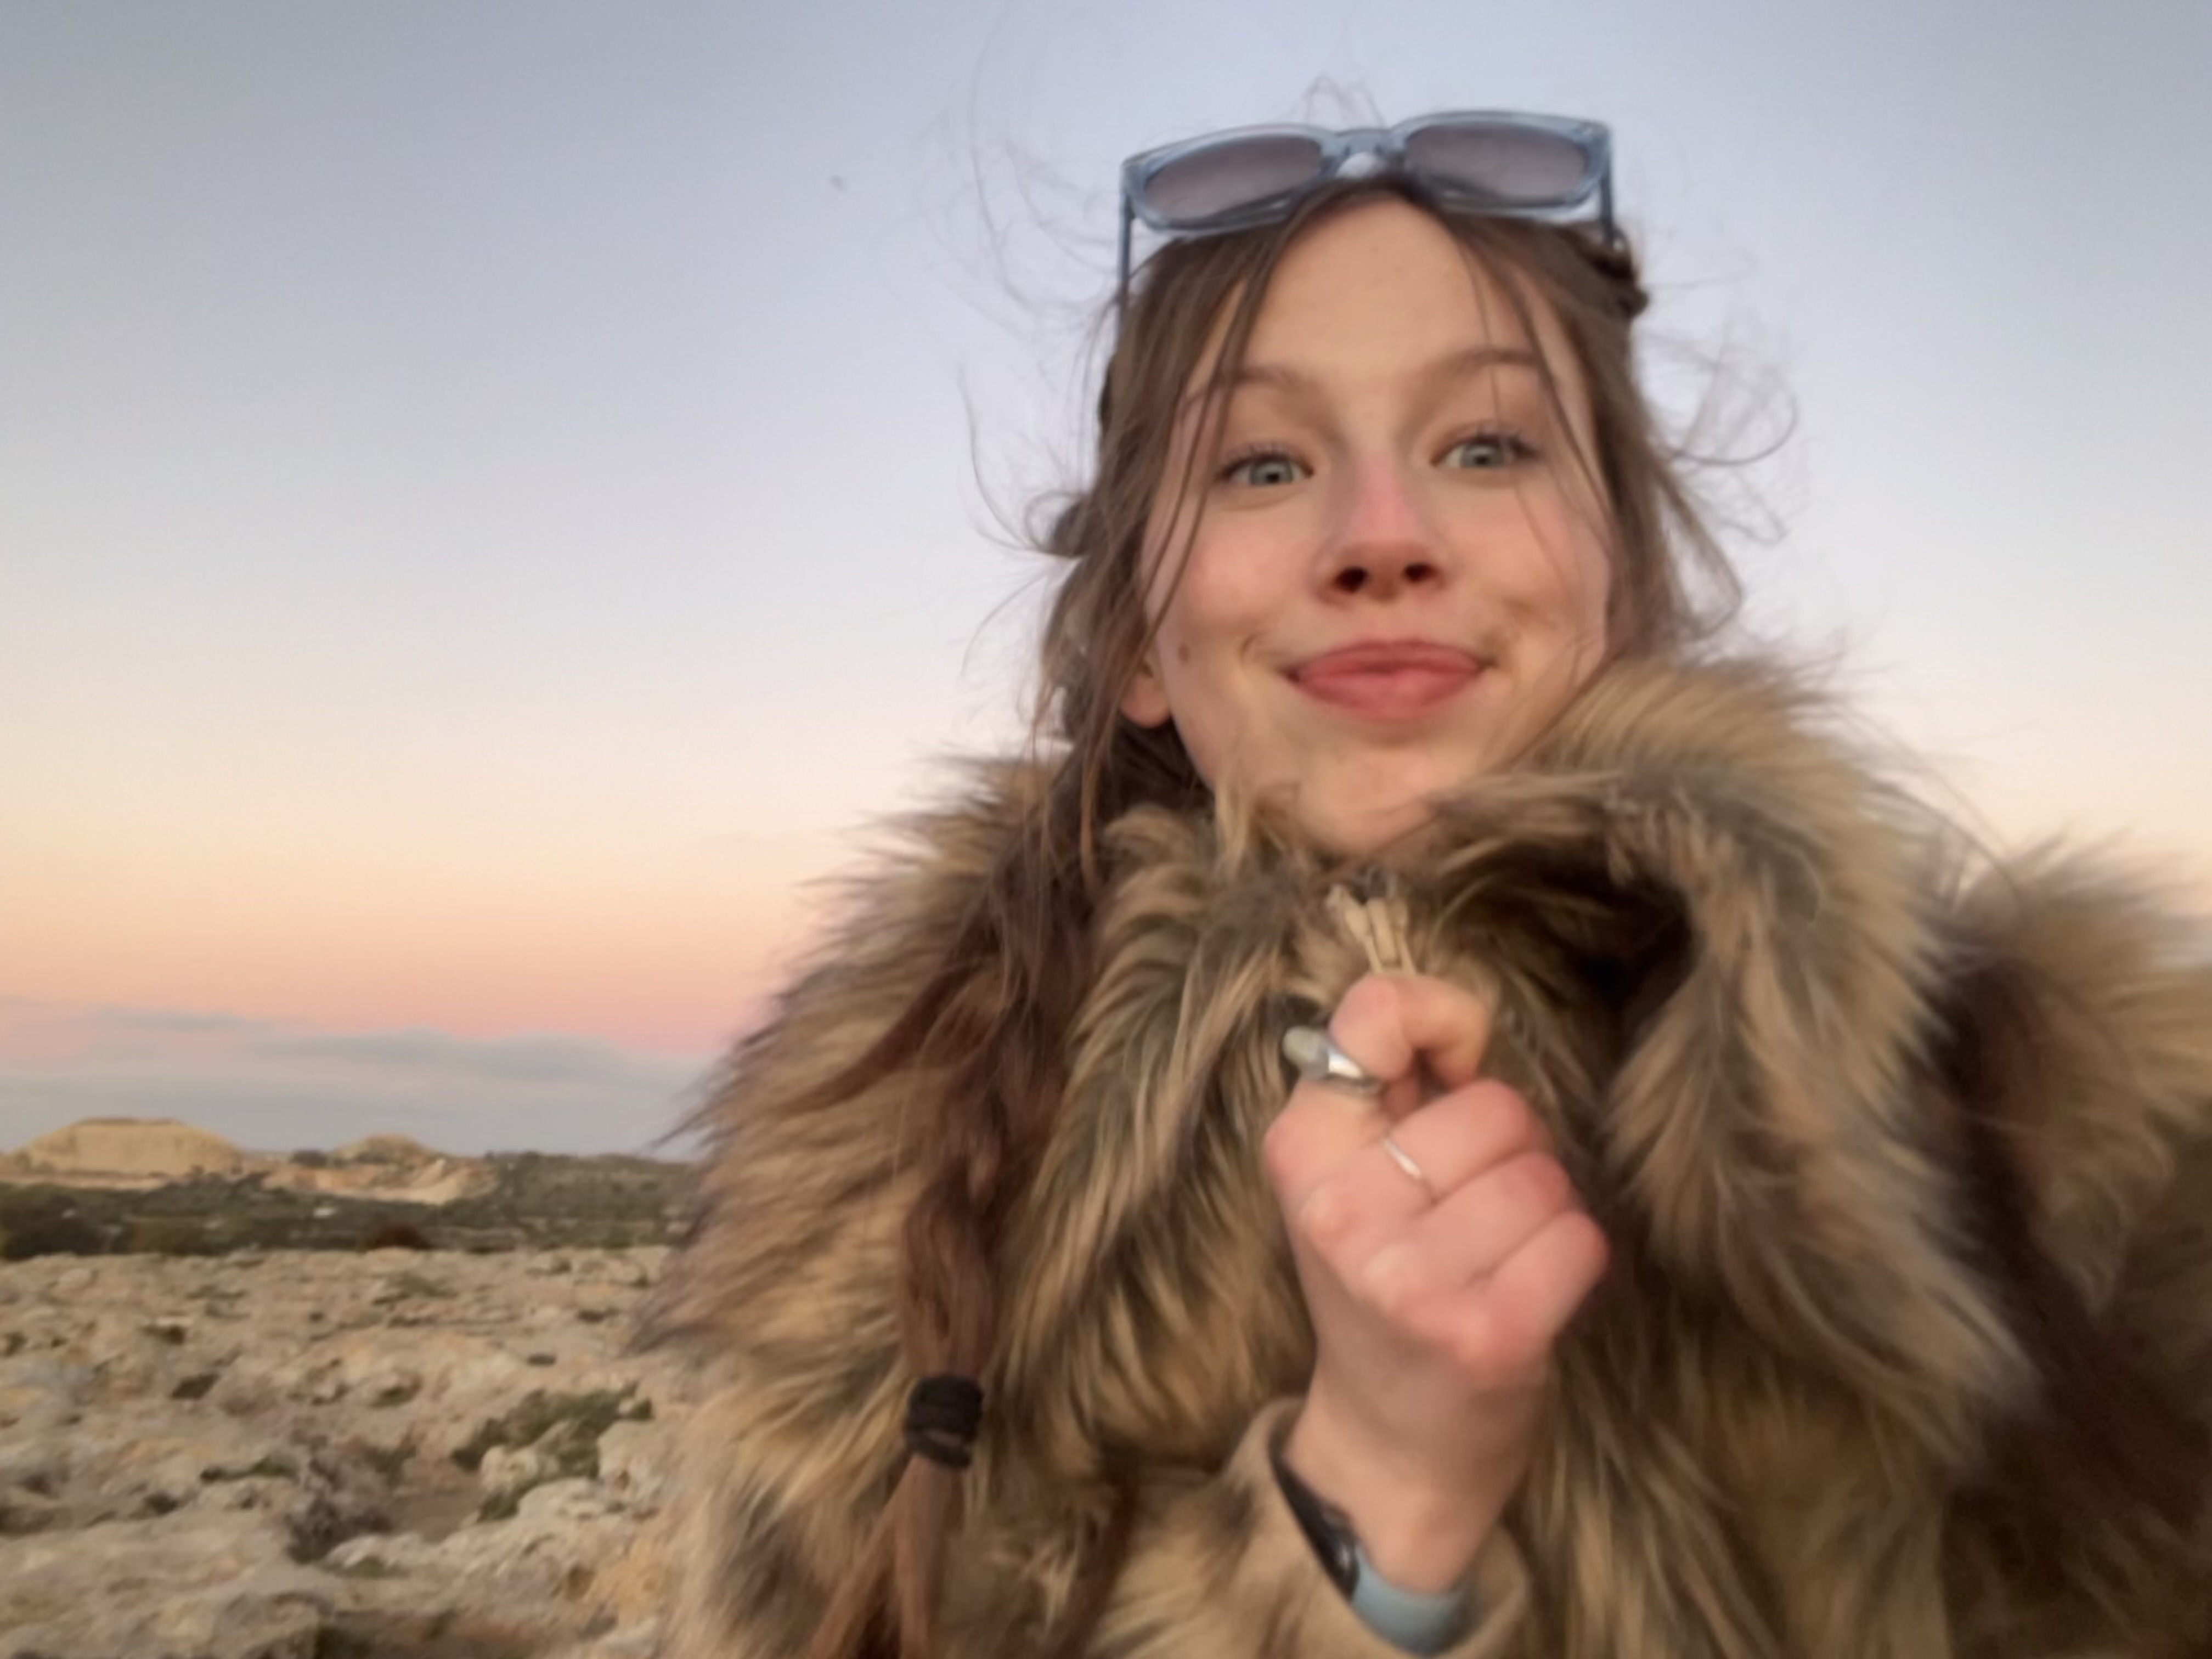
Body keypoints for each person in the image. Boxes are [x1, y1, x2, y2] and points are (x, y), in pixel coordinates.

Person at [641, 110, 2212, 1658]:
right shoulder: (891, 1164)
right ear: (1137, 645)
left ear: (1621, 579)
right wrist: (1362, 1519)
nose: (1381, 537)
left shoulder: (2068, 1092)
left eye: (1486, 446)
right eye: (1262, 463)